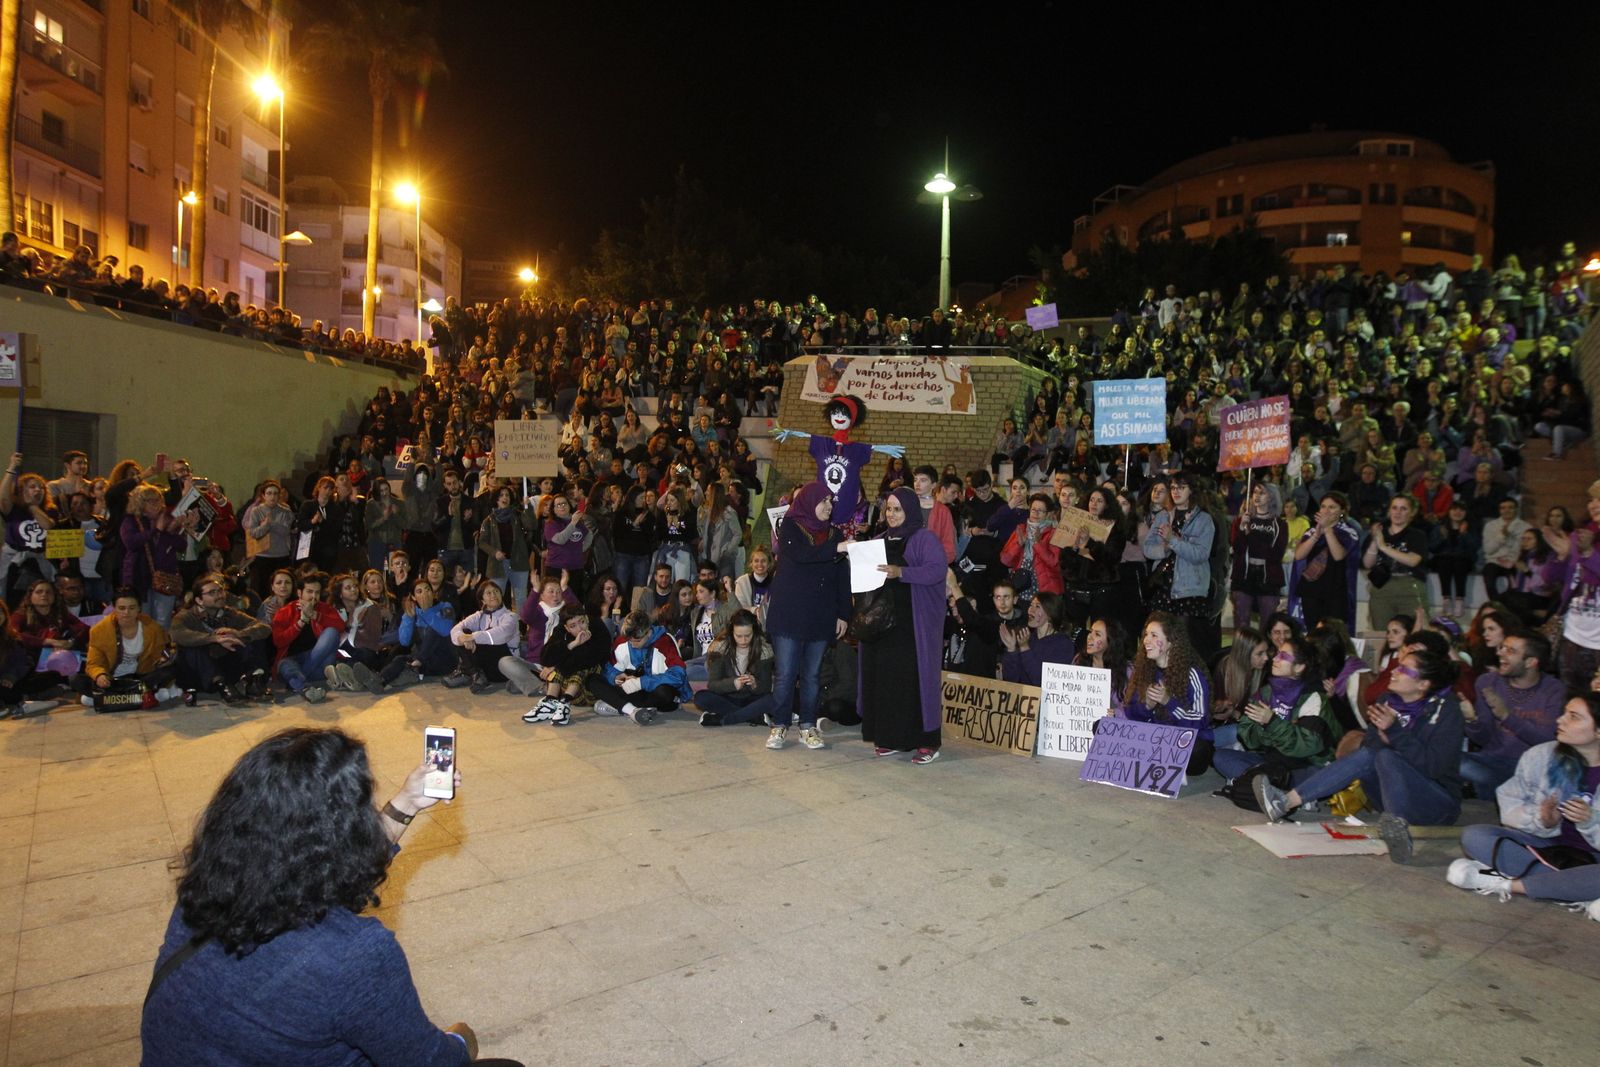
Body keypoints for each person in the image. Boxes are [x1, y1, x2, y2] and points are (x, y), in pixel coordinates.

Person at [139, 726, 523, 1066]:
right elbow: (427, 1060)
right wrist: (458, 1042)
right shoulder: (355, 954)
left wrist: (405, 803)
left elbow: (332, 870)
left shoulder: (208, 887)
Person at [1255, 646, 1465, 862]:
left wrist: (1394, 733)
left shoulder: (1446, 711)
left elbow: (1434, 768)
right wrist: (1390, 738)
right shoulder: (1386, 701)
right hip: (1391, 797)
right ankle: (1285, 802)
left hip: (1436, 803)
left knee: (1384, 756)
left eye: (1403, 669)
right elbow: (1371, 746)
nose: (1393, 671)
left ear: (1423, 684)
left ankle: (1397, 828)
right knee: (1371, 754)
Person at [1446, 694, 1600, 919]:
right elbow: (1510, 803)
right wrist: (1542, 820)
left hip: (1595, 858)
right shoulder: (1542, 755)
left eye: (1574, 717)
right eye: (1564, 713)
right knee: (1475, 835)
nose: (1560, 720)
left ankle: (1505, 884)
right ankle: (1576, 889)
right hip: (1547, 848)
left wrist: (1591, 821)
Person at [859, 487, 950, 764]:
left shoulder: (925, 539)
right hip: (882, 628)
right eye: (888, 509)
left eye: (898, 509)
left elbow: (938, 569)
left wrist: (902, 573)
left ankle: (927, 742)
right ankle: (891, 739)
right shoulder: (877, 540)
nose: (892, 514)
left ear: (909, 510)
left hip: (913, 627)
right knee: (887, 683)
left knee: (915, 684)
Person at [763, 481, 851, 751]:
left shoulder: (835, 534)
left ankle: (808, 726)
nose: (828, 506)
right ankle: (779, 725)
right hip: (789, 614)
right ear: (809, 501)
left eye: (830, 502)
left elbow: (841, 576)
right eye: (823, 501)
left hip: (820, 615)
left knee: (812, 675)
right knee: (786, 673)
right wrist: (836, 549)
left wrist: (843, 613)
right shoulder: (789, 527)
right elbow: (802, 555)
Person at [1213, 635, 1337, 783]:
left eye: (1283, 656)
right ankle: (1268, 784)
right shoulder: (1266, 692)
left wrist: (1272, 722)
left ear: (1299, 667)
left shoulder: (1313, 697)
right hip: (1272, 759)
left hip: (1304, 763)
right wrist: (1265, 727)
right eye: (1277, 654)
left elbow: (1306, 746)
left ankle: (1262, 783)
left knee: (1317, 775)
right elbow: (1248, 738)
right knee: (1220, 757)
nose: (1275, 659)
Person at [1461, 631, 1565, 798]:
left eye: (1511, 651)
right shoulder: (1488, 682)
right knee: (1452, 761)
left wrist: (1506, 716)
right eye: (1502, 648)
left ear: (1531, 662)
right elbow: (1482, 739)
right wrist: (1471, 720)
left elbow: (1548, 740)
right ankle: (1501, 790)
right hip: (1491, 761)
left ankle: (1498, 790)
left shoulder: (1553, 689)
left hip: (1532, 768)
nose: (1500, 653)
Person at [1114, 612, 1215, 775]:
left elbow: (1201, 720)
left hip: (1183, 739)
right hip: (1157, 739)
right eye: (1146, 635)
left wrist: (1169, 702)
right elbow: (1130, 713)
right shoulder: (1143, 670)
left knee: (1197, 750)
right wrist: (1146, 705)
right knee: (1102, 726)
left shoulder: (1192, 674)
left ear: (1171, 642)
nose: (1146, 640)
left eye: (1154, 635)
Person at [169, 572, 271, 703]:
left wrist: (239, 634)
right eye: (212, 593)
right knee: (191, 647)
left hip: (225, 665)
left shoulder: (229, 613)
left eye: (220, 591)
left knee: (252, 637)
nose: (219, 595)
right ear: (199, 600)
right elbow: (177, 634)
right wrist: (214, 638)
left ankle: (254, 681)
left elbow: (264, 627)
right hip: (200, 674)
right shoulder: (186, 616)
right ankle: (222, 685)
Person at [76, 587, 180, 709]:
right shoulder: (99, 630)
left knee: (171, 669)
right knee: (76, 680)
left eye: (132, 608)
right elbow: (94, 663)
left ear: (139, 609)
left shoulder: (152, 627)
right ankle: (147, 696)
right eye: (121, 608)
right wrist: (100, 675)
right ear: (114, 609)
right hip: (111, 679)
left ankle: (106, 699)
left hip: (140, 677)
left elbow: (162, 653)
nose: (126, 613)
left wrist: (163, 659)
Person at [588, 608, 691, 725]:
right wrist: (617, 677)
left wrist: (642, 682)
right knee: (592, 680)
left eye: (637, 640)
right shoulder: (623, 640)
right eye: (629, 640)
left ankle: (619, 706)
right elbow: (608, 668)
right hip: (634, 691)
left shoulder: (665, 642)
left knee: (664, 693)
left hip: (657, 693)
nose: (632, 644)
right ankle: (631, 710)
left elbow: (679, 676)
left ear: (648, 632)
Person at [520, 602, 612, 726]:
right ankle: (550, 702)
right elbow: (545, 658)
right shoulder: (560, 630)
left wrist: (557, 663)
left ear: (586, 618)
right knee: (563, 661)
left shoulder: (597, 626)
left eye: (582, 622)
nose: (580, 628)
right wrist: (572, 644)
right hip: (572, 689)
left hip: (593, 688)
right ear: (567, 628)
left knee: (575, 666)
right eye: (573, 626)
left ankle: (564, 703)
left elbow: (589, 660)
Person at [1287, 492, 1360, 632]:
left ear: (1342, 511)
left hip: (1335, 591)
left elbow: (1339, 555)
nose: (1326, 511)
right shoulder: (1311, 531)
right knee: (1313, 633)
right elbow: (1299, 555)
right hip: (1311, 590)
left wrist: (1327, 530)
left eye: (1332, 507)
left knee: (1333, 634)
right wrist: (1316, 534)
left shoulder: (1348, 531)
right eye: (1323, 507)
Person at [695, 610, 777, 727]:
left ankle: (722, 719)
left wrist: (755, 684)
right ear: (731, 632)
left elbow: (766, 687)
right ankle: (753, 716)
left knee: (774, 699)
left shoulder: (764, 650)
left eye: (748, 635)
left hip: (752, 698)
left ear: (754, 632)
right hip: (727, 697)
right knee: (701, 698)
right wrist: (732, 683)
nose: (743, 640)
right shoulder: (720, 648)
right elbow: (713, 685)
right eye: (738, 636)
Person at [270, 572, 343, 704]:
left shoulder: (324, 609)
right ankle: (305, 688)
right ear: (299, 593)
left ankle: (296, 682)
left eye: (317, 592)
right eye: (309, 592)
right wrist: (301, 621)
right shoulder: (286, 611)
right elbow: (278, 641)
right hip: (292, 659)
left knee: (332, 632)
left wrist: (315, 615)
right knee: (285, 665)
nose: (313, 597)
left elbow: (340, 626)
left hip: (317, 660)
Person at [1364, 495, 1431, 631]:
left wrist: (1383, 547)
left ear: (1412, 512)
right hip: (1381, 588)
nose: (1398, 512)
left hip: (1409, 588)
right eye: (1394, 508)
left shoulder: (1417, 535)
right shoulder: (1381, 534)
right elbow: (1367, 564)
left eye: (1403, 508)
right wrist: (1375, 542)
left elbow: (1413, 561)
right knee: (1382, 633)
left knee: (1415, 632)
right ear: (1389, 511)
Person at [1228, 482, 1288, 634]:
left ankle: (1266, 656)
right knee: (1242, 626)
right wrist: (1242, 530)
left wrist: (1252, 539)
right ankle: (1242, 657)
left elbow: (1276, 554)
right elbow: (1238, 549)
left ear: (1272, 497)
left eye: (1262, 493)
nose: (1257, 496)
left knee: (1268, 625)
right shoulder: (1241, 521)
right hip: (1243, 578)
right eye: (1255, 492)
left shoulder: (1280, 524)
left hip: (1268, 579)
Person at [444, 580, 518, 693]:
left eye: (496, 591)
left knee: (488, 637)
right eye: (488, 593)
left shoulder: (510, 616)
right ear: (482, 599)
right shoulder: (479, 615)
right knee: (463, 631)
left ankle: (467, 671)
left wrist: (472, 637)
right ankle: (475, 674)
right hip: (486, 668)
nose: (493, 595)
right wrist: (464, 638)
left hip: (504, 668)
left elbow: (501, 634)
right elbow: (455, 629)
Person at [999, 592, 1076, 687]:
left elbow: (1042, 682)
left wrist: (1025, 649)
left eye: (1037, 607)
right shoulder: (1028, 639)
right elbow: (1010, 679)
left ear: (1050, 613)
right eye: (1031, 605)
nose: (1030, 610)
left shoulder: (1063, 644)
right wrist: (1011, 650)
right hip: (1024, 699)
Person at [999, 494, 1062, 604]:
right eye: (1033, 509)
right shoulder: (1021, 529)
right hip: (1021, 585)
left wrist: (1037, 544)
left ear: (1048, 514)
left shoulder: (1054, 533)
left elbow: (1055, 563)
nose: (1036, 513)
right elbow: (1005, 560)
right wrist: (1019, 544)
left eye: (1040, 511)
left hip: (1044, 588)